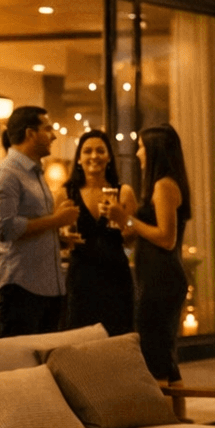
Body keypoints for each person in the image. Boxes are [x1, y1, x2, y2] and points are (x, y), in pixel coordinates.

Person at [0, 106, 78, 336]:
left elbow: (33, 225)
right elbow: (5, 228)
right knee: (22, 365)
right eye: (47, 129)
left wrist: (59, 238)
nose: (53, 136)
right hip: (20, 287)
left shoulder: (34, 173)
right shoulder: (6, 174)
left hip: (46, 286)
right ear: (30, 133)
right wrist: (56, 221)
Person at [109, 124, 191, 381]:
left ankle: (166, 414)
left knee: (155, 354)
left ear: (155, 151)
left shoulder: (164, 186)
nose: (138, 154)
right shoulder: (163, 184)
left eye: (142, 147)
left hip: (162, 279)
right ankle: (178, 415)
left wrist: (128, 219)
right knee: (164, 353)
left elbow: (166, 238)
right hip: (158, 277)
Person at [57, 129, 135, 336]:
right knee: (79, 341)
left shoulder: (124, 192)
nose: (94, 156)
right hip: (81, 276)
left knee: (117, 340)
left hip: (116, 276)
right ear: (79, 159)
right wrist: (62, 240)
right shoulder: (66, 193)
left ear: (109, 157)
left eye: (100, 151)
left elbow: (133, 239)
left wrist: (122, 219)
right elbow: (56, 239)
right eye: (87, 151)